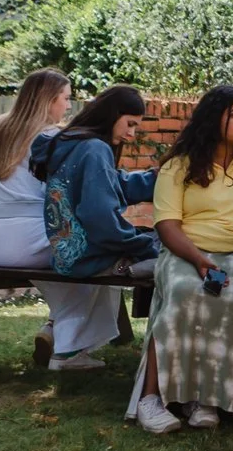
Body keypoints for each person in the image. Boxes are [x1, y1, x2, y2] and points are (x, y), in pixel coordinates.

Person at [128, 84, 233, 434]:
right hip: (185, 251)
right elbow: (167, 225)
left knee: (232, 297)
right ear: (212, 119)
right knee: (185, 293)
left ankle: (205, 398)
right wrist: (199, 260)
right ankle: (151, 399)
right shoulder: (179, 166)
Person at [0, 70, 122, 370]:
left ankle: (55, 327)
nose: (68, 106)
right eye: (66, 98)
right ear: (49, 99)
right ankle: (68, 349)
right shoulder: (51, 137)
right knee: (101, 253)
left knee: (73, 258)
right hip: (28, 240)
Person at [31, 86, 158, 318]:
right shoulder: (95, 149)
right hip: (91, 258)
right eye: (130, 124)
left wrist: (157, 179)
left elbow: (112, 185)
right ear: (111, 114)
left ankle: (56, 330)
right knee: (171, 251)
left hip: (66, 256)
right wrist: (144, 246)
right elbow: (101, 219)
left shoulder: (71, 143)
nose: (131, 134)